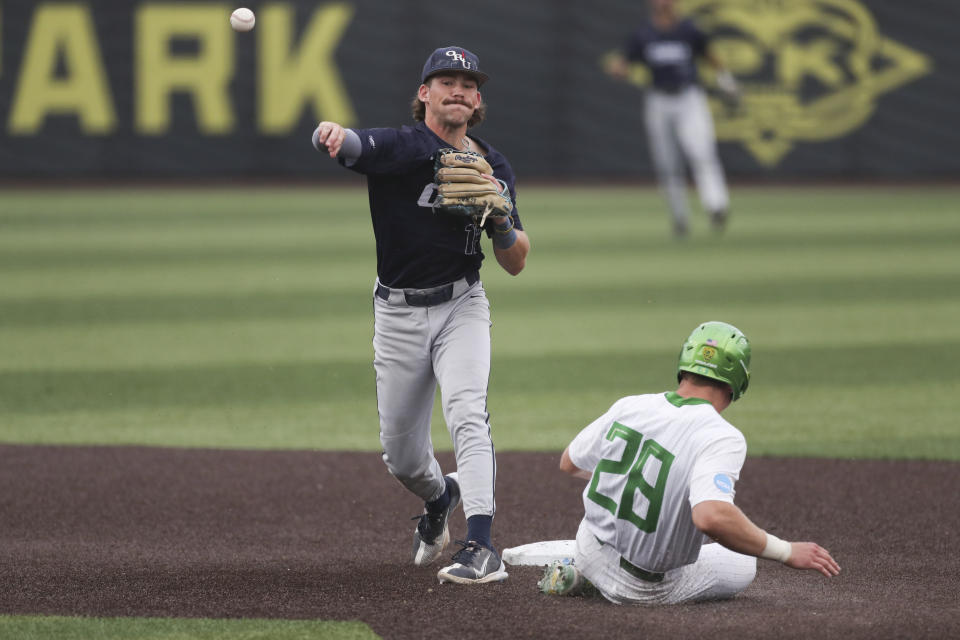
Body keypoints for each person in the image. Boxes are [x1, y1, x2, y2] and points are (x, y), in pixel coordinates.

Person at [311, 46, 530, 585]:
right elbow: (355, 146)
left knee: (466, 410)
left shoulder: (492, 164)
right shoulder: (403, 146)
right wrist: (331, 134)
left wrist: (500, 222)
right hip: (397, 314)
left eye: (467, 83)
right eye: (444, 80)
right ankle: (442, 496)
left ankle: (481, 545)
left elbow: (517, 260)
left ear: (477, 100)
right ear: (424, 94)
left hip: (462, 305)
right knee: (403, 458)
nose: (457, 89)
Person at [538, 321, 840, 604]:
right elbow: (712, 517)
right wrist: (787, 551)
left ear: (684, 367)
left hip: (588, 550)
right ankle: (601, 584)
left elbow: (570, 462)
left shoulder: (630, 404)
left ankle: (584, 574)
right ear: (739, 382)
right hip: (642, 588)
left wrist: (630, 479)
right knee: (744, 562)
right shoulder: (722, 436)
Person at [606, 0, 739, 237]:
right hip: (659, 100)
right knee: (667, 163)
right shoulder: (644, 34)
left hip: (689, 97)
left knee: (701, 151)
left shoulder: (689, 30)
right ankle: (680, 217)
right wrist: (619, 69)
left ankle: (716, 205)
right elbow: (624, 62)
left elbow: (710, 56)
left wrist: (726, 82)